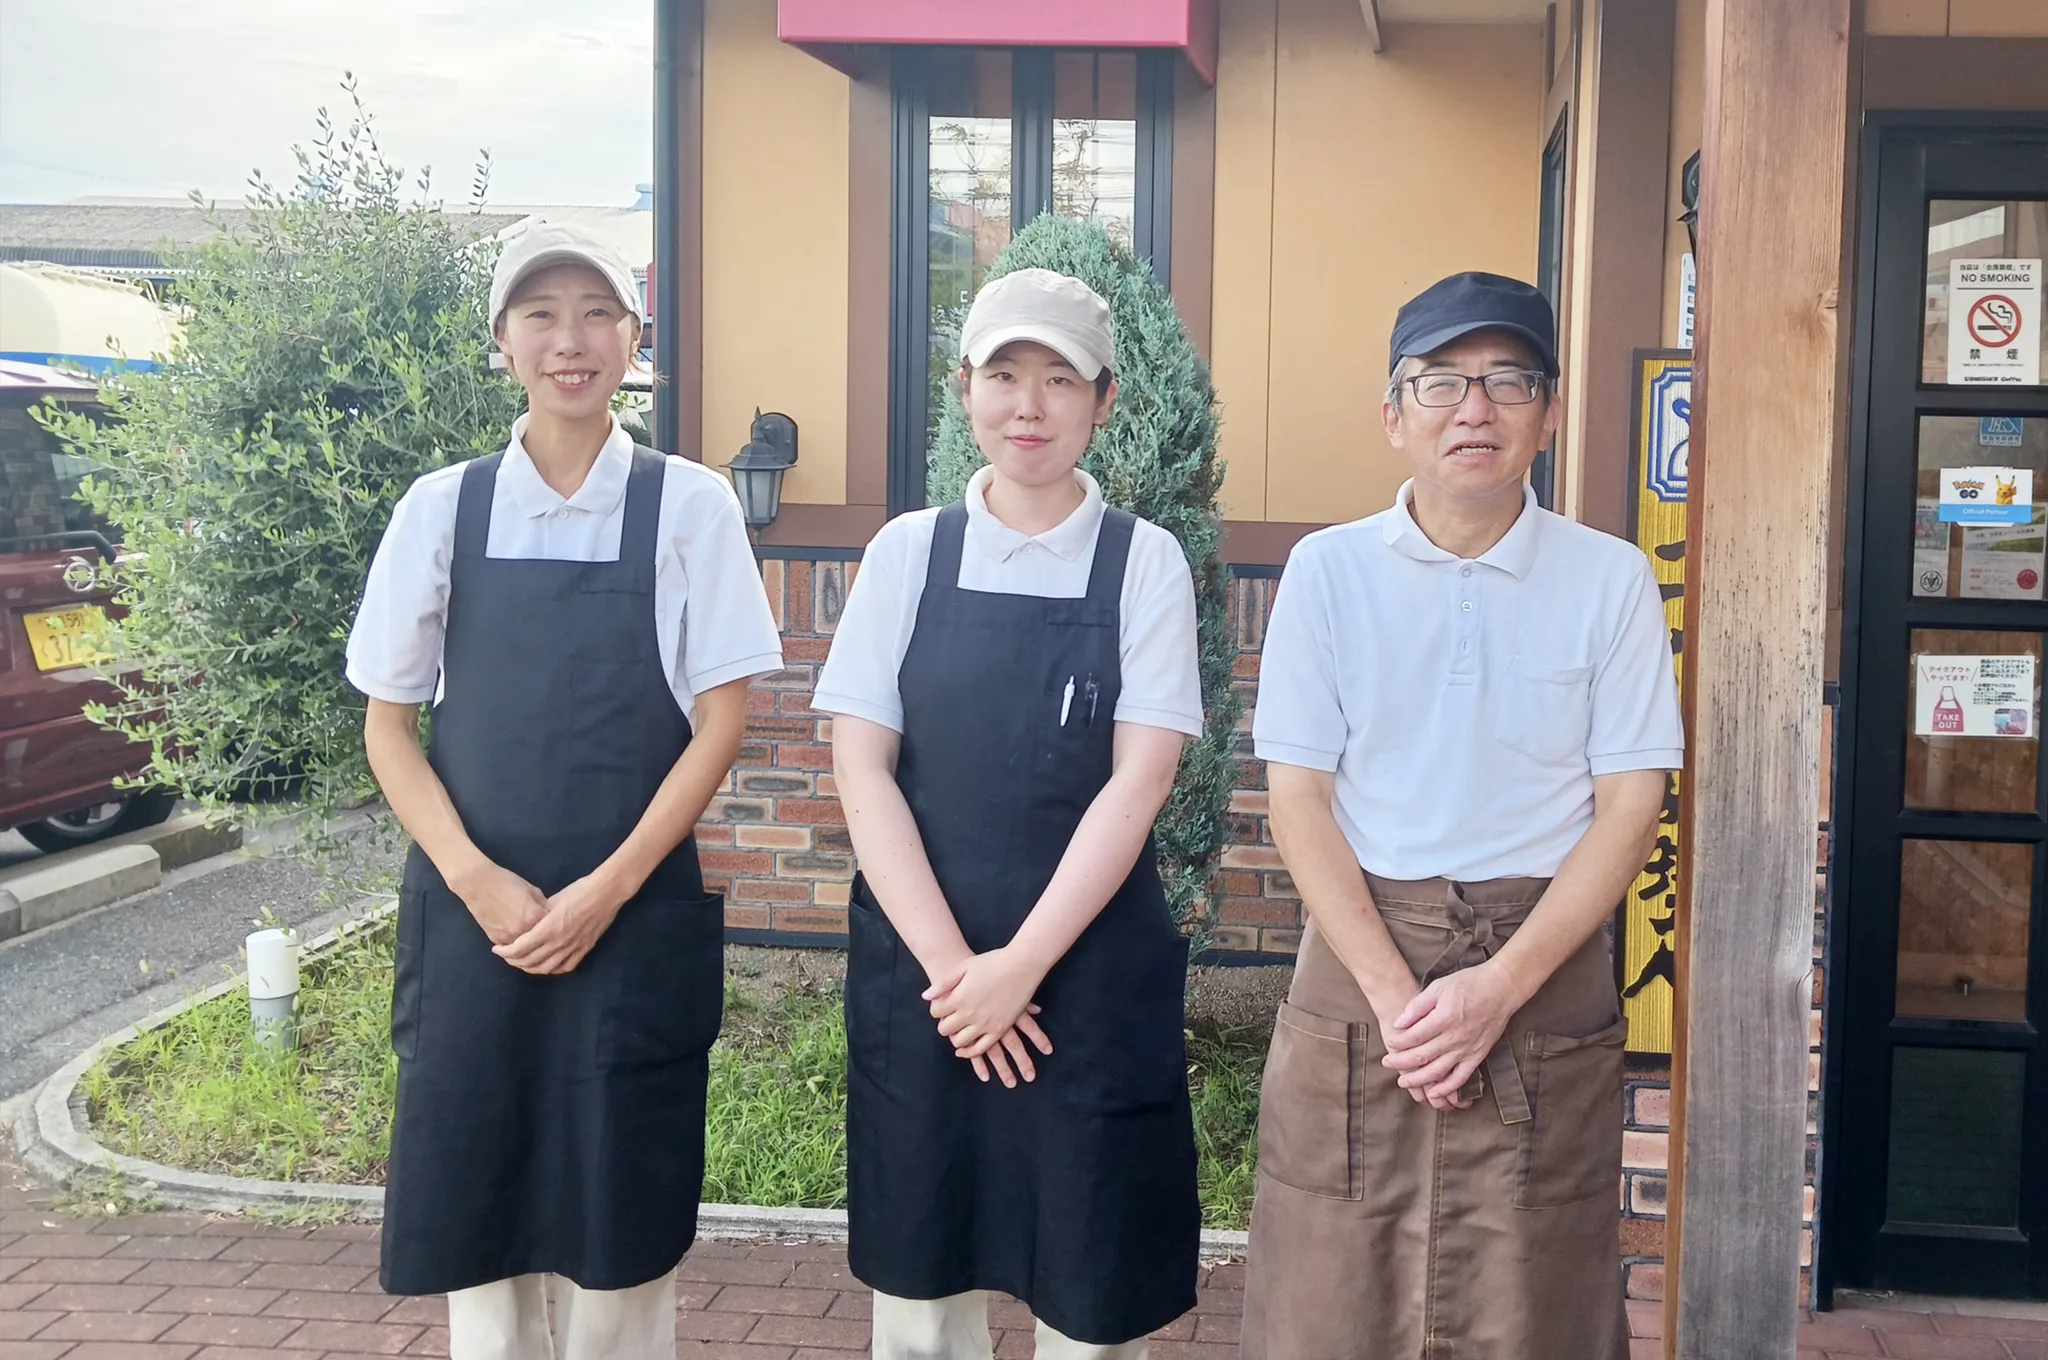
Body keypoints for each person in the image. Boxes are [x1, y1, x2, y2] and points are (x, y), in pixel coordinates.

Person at [346, 221, 782, 1360]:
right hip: (474, 919)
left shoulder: (690, 506)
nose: (570, 341)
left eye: (597, 314)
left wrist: (607, 890)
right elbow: (389, 727)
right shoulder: (442, 507)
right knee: (477, 1210)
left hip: (629, 916)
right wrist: (475, 879)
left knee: (619, 1216)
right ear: (503, 341)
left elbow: (721, 722)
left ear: (634, 338)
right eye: (540, 315)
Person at [1240, 272, 1683, 1358]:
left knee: (1532, 1300)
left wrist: (1498, 987)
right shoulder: (1327, 571)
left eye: (1506, 380)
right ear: (1393, 414)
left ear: (1547, 414)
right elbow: (1297, 797)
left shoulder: (1611, 579)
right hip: (1363, 967)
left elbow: (1632, 804)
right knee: (1330, 1292)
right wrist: (1400, 1000)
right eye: (1440, 381)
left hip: (1540, 963)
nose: (1472, 408)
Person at [814, 268, 1205, 1359]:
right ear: (963, 389)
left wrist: (1019, 968)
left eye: (1059, 380)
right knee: (923, 1281)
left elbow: (1139, 781)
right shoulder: (906, 553)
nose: (1028, 406)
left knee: (1087, 1284)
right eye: (1003, 375)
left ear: (1103, 400)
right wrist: (960, 976)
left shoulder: (1144, 563)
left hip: (1084, 974)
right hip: (929, 983)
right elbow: (862, 770)